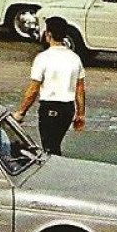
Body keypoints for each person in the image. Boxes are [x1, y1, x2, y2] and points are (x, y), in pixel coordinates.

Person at [15, 16, 87, 154]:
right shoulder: (74, 58)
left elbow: (33, 90)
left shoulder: (43, 58)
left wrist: (21, 112)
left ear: (49, 34)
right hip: (68, 109)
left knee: (49, 148)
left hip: (50, 107)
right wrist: (80, 114)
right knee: (55, 144)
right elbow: (80, 88)